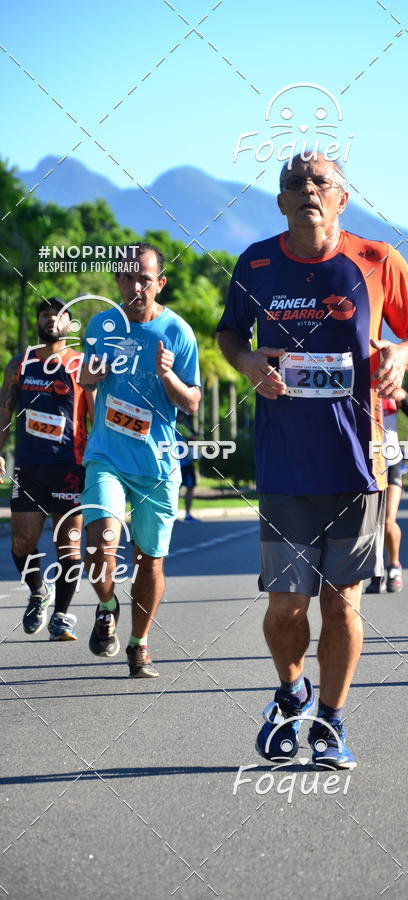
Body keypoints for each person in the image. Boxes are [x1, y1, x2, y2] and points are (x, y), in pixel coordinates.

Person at [217, 152, 408, 769]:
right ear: (281, 202)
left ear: (342, 198)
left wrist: (401, 355)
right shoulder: (256, 263)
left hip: (357, 463)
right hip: (285, 463)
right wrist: (247, 361)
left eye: (321, 182)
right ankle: (291, 694)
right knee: (286, 606)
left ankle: (332, 723)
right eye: (296, 183)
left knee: (342, 603)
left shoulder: (377, 260)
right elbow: (229, 333)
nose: (308, 190)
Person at [79, 243, 201, 678]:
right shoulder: (101, 324)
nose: (135, 287)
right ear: (117, 280)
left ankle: (139, 644)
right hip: (107, 455)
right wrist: (90, 375)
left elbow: (192, 402)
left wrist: (167, 375)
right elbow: (86, 379)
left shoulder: (178, 332)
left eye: (144, 279)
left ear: (159, 283)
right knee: (101, 541)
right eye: (128, 278)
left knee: (150, 560)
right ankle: (107, 604)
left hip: (157, 464)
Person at [0, 297, 93, 640]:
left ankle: (62, 616)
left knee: (68, 545)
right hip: (29, 467)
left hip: (71, 467)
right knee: (22, 541)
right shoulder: (20, 364)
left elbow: (95, 417)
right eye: (45, 315)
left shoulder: (81, 365)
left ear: (69, 324)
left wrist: (99, 464)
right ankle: (39, 591)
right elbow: (4, 410)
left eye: (58, 316)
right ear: (38, 322)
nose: (51, 320)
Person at [364, 390, 408, 593]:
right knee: (369, 524)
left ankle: (394, 565)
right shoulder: (356, 387)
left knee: (388, 522)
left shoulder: (390, 389)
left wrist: (404, 397)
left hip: (391, 462)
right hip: (365, 465)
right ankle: (376, 571)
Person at [176, 411, 198, 522]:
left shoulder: (168, 426)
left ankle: (172, 515)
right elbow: (193, 438)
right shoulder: (181, 427)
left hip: (173, 463)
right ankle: (188, 514)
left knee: (175, 489)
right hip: (185, 463)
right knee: (190, 487)